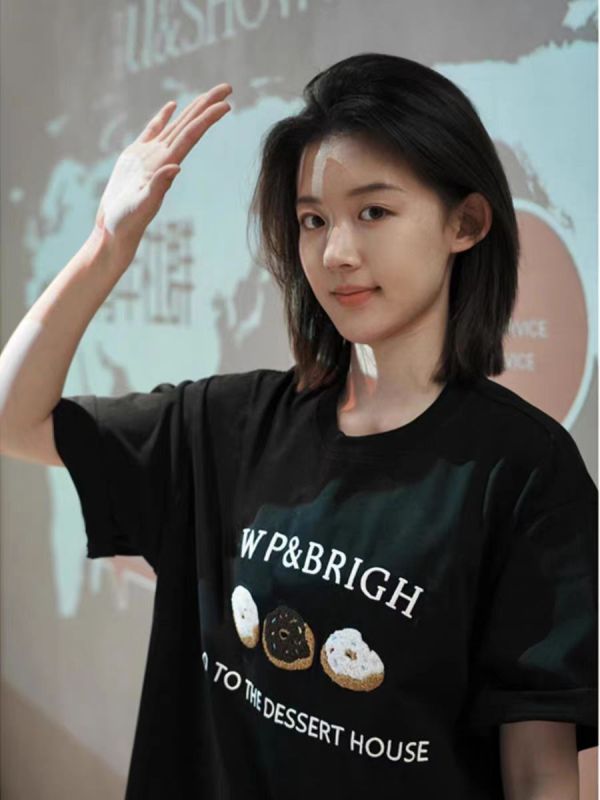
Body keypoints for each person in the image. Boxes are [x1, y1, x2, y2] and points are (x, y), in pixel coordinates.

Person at [0, 53, 596, 799]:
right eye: (314, 220)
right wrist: (106, 244)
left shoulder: (524, 469)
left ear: (465, 223)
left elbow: (539, 772)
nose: (336, 253)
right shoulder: (226, 424)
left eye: (373, 212)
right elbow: (14, 419)